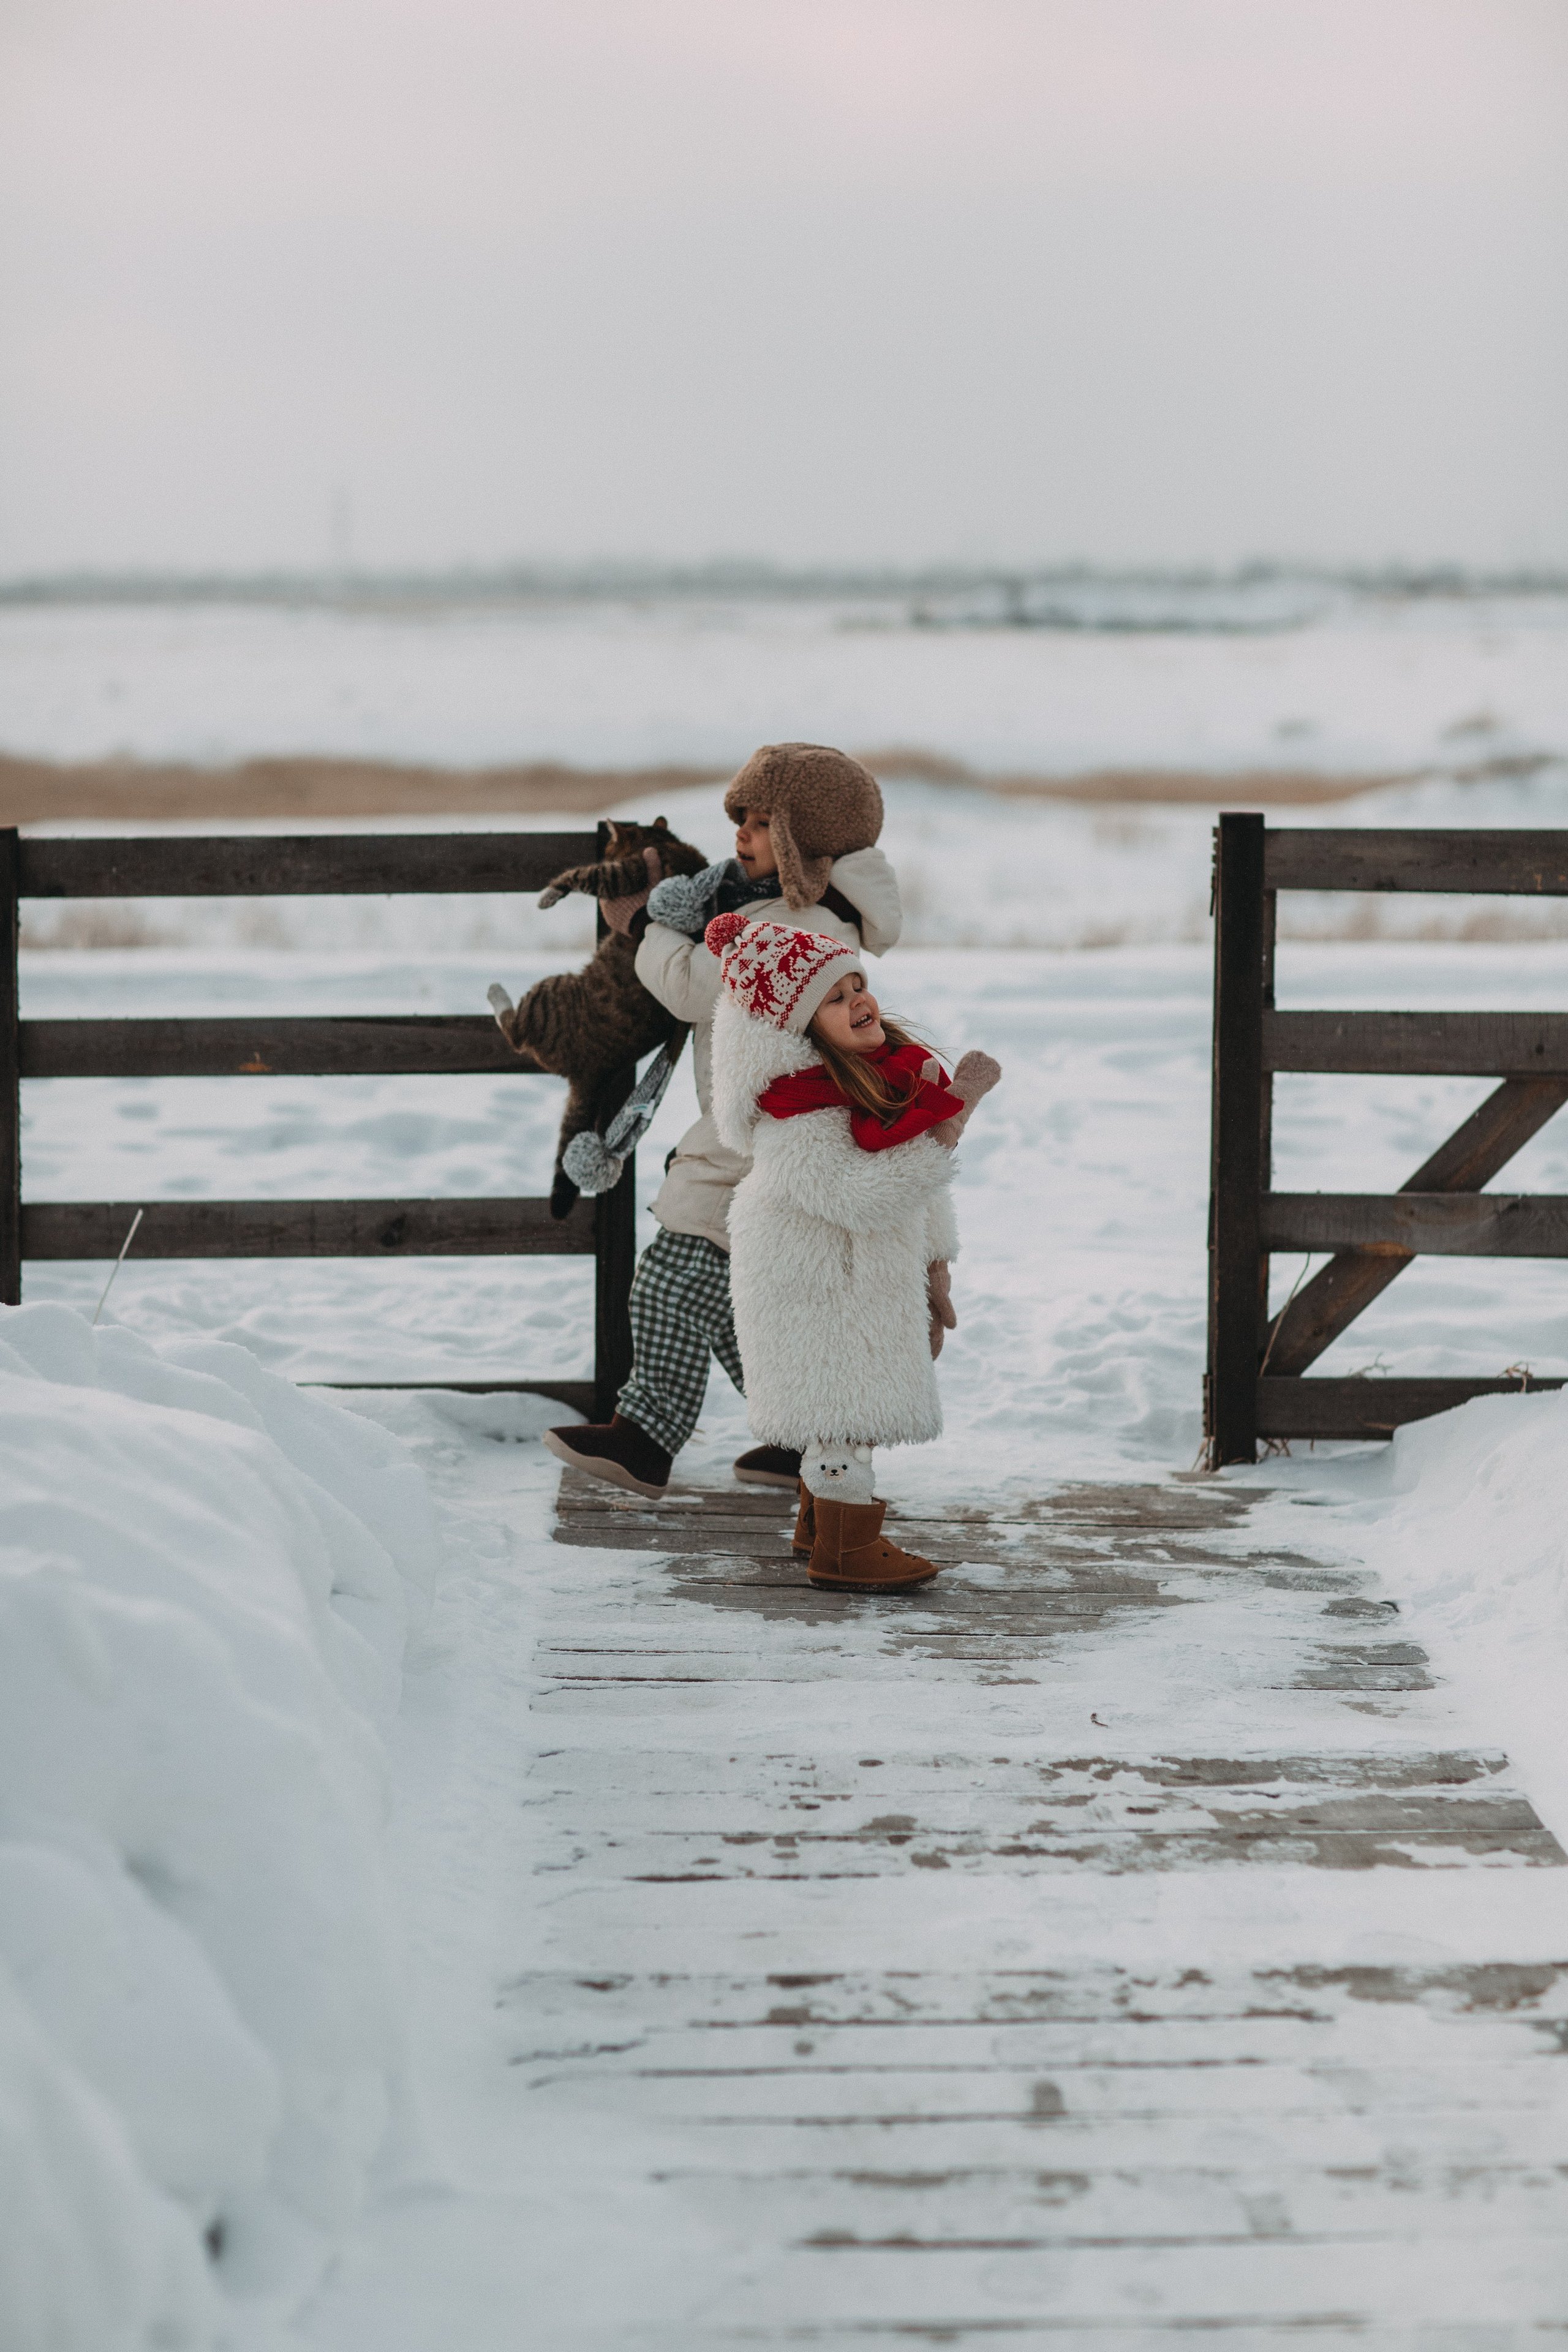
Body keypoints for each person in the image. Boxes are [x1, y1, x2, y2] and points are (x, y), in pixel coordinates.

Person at [544, 742, 901, 1499]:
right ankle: (806, 1435)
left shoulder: (791, 924)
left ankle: (649, 1437)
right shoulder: (796, 910)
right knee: (740, 1290)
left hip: (762, 1135)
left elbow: (690, 988)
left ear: (805, 842)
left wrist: (646, 928)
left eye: (763, 822)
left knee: (678, 1274)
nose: (741, 833)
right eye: (740, 817)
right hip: (764, 1130)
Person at [703, 909, 999, 1590]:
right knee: (840, 1409)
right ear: (797, 1030)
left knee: (841, 1412)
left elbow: (915, 1195)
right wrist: (945, 1133)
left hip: (856, 1276)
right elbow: (857, 1195)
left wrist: (935, 1262)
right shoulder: (794, 1111)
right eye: (833, 999)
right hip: (815, 1283)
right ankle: (846, 1549)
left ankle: (817, 1528)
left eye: (856, 984)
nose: (858, 1001)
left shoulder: (876, 1081)